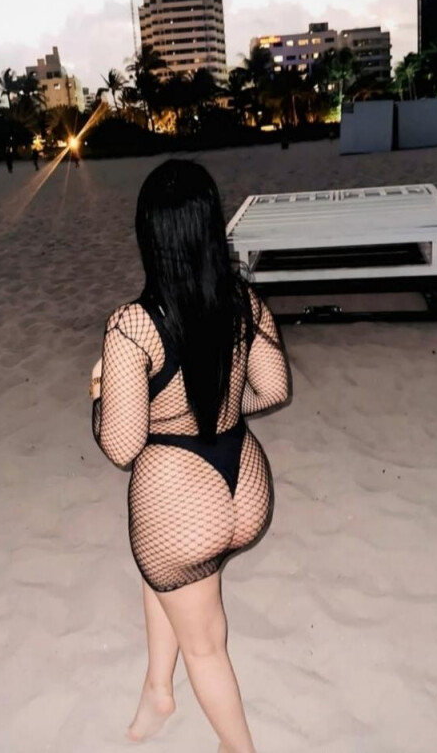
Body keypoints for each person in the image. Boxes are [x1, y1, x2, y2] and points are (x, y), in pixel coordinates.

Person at [90, 160, 291, 752]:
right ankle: (158, 691)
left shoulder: (132, 326)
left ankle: (238, 747)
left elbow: (122, 446)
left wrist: (100, 397)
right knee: (167, 576)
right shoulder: (243, 301)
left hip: (182, 508)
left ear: (148, 235)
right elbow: (274, 389)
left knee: (205, 644)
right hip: (245, 486)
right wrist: (215, 412)